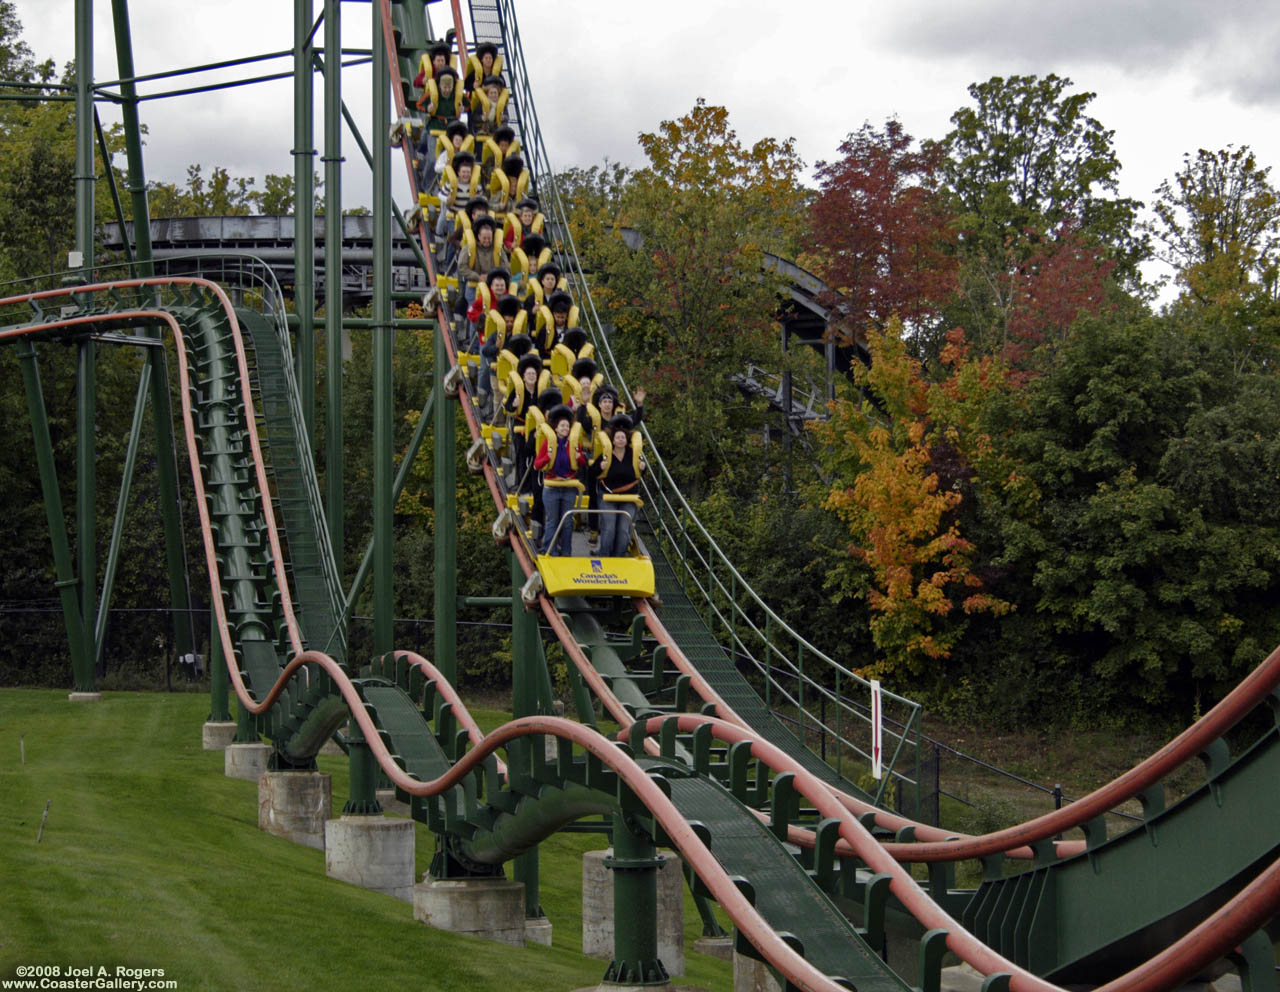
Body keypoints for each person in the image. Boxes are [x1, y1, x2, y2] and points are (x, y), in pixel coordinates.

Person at [534, 404, 586, 557]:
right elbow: (537, 464)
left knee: (568, 521)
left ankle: (566, 552)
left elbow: (581, 463)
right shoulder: (549, 444)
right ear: (555, 428)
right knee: (552, 520)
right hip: (552, 487)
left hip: (569, 486)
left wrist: (580, 458)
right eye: (562, 426)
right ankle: (550, 550)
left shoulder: (574, 444)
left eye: (567, 426)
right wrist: (547, 458)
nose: (565, 428)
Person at [596, 415, 644, 557]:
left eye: (623, 437)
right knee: (609, 527)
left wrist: (643, 467)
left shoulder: (633, 454)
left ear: (627, 439)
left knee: (624, 529)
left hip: (628, 498)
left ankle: (620, 555)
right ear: (613, 440)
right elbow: (593, 472)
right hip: (609, 496)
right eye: (618, 437)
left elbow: (641, 473)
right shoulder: (606, 455)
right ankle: (605, 555)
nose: (621, 440)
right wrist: (600, 467)